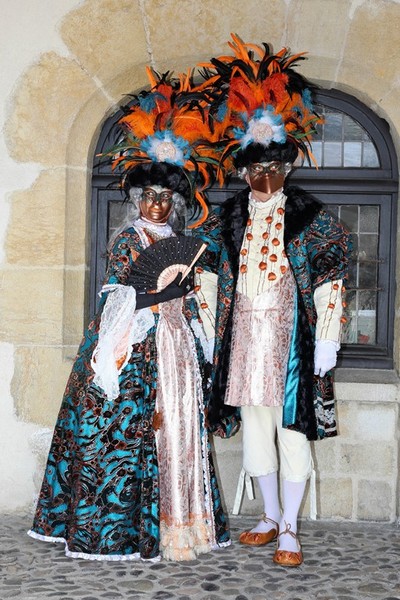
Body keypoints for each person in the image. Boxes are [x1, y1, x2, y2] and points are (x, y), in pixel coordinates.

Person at [28, 71, 236, 562]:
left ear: (176, 202)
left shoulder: (182, 244)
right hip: (137, 349)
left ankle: (182, 525)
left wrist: (194, 299)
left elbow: (202, 295)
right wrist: (157, 295)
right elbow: (117, 301)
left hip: (179, 345)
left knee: (181, 428)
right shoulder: (127, 242)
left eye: (165, 198)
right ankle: (128, 530)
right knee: (132, 433)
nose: (158, 204)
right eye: (150, 197)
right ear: (137, 200)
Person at [205, 36, 352, 567]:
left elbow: (333, 275)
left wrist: (329, 339)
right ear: (243, 172)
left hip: (292, 341)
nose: (263, 179)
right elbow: (210, 279)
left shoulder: (311, 218)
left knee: (293, 432)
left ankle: (290, 526)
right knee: (255, 431)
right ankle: (268, 517)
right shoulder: (228, 217)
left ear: (285, 169)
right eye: (254, 171)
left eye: (273, 170)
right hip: (244, 337)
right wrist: (205, 333)